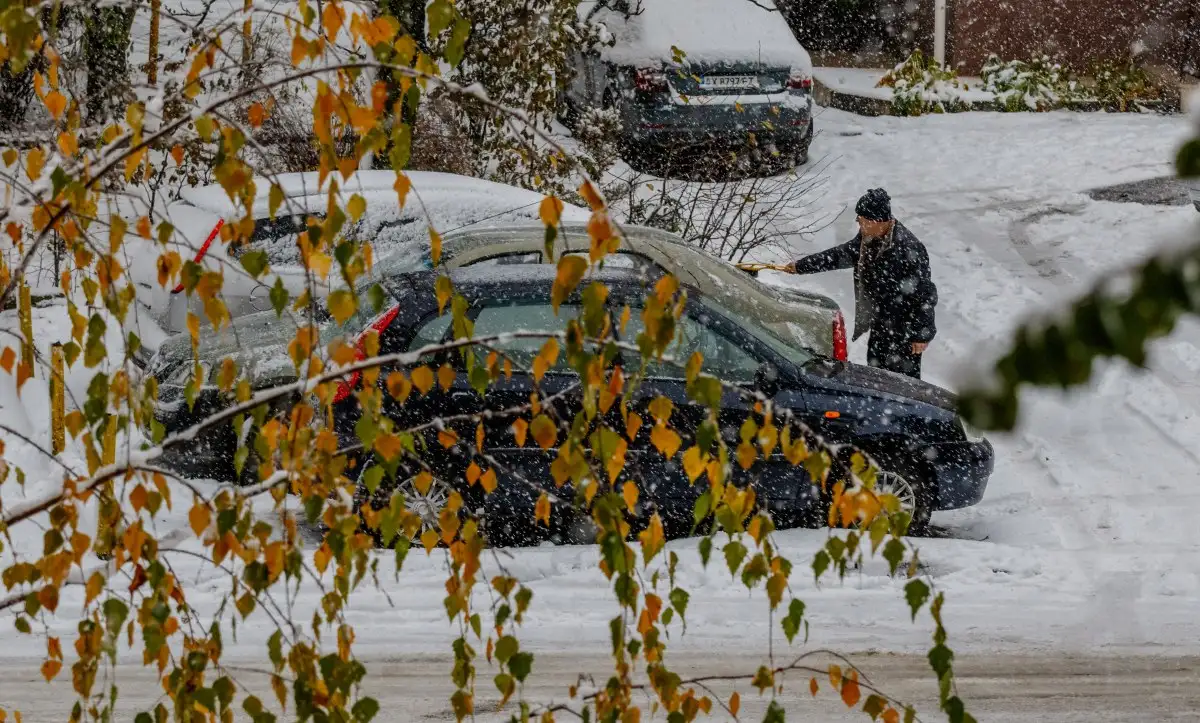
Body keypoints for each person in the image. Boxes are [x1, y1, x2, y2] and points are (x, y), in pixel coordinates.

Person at [786, 188, 937, 379]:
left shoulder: (908, 248)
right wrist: (801, 266)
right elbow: (839, 255)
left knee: (903, 384)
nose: (858, 224)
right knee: (876, 376)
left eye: (861, 220)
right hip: (881, 325)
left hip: (903, 331)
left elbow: (925, 293)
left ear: (876, 221)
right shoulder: (868, 239)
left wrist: (921, 334)